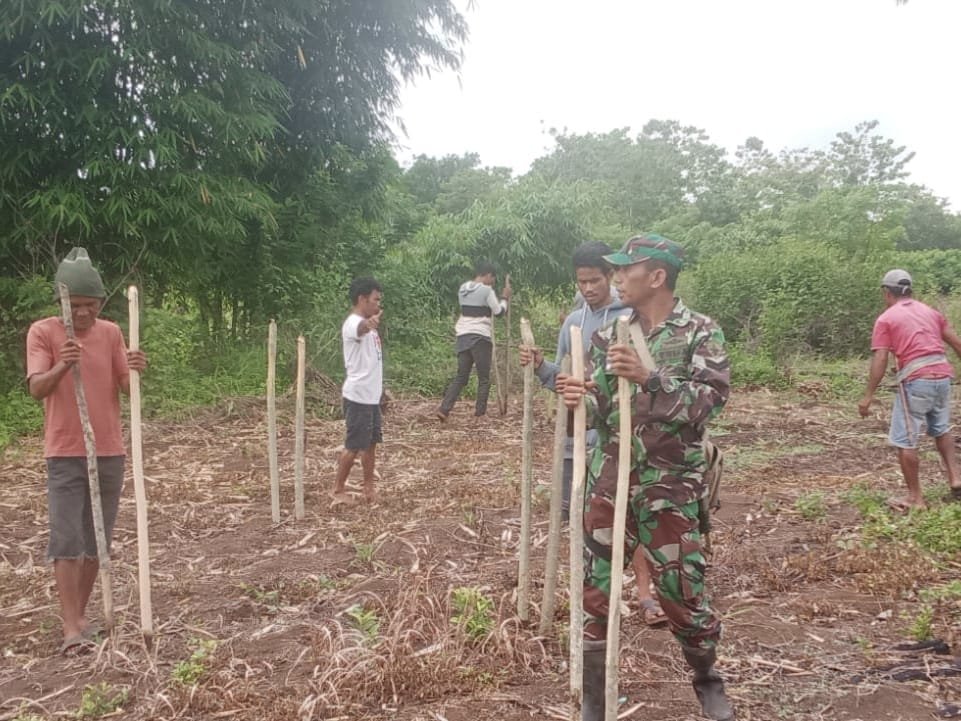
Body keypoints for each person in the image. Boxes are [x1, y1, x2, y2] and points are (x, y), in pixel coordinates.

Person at [559, 233, 734, 721]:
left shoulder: (701, 332)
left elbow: (710, 402)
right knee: (596, 586)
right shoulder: (609, 334)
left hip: (671, 485)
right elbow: (602, 407)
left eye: (625, 270)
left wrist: (648, 376)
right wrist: (580, 394)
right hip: (612, 477)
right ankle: (595, 698)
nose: (616, 279)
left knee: (680, 590)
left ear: (656, 276)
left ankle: (706, 676)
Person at [519, 241, 666, 627]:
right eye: (581, 282)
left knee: (626, 514)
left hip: (617, 436)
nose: (588, 289)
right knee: (584, 517)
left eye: (595, 280)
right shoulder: (573, 322)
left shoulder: (629, 320)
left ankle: (645, 594)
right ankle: (594, 598)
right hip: (577, 437)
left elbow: (643, 380)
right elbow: (563, 379)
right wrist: (541, 367)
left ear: (610, 277)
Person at [26, 247, 148, 655]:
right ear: (61, 303)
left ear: (100, 304)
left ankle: (81, 615)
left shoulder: (111, 332)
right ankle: (70, 626)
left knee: (98, 537)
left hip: (109, 448)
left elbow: (128, 390)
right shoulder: (43, 332)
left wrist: (134, 369)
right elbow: (36, 388)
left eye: (90, 306)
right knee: (67, 538)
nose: (82, 314)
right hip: (64, 450)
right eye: (74, 306)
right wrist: (63, 364)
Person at [858, 269, 961, 510]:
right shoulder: (930, 311)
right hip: (943, 376)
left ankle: (915, 498)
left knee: (906, 441)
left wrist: (868, 396)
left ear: (886, 292)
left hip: (917, 380)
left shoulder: (887, 318)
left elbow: (880, 359)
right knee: (941, 429)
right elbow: (956, 343)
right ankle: (956, 478)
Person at [332, 277, 385, 506]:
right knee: (353, 446)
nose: (378, 305)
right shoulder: (353, 323)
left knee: (371, 443)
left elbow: (373, 361)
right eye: (375, 300)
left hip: (371, 397)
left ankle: (368, 487)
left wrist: (381, 391)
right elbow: (360, 329)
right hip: (358, 397)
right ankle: (337, 489)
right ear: (362, 299)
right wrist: (369, 324)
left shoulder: (370, 328)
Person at [436, 260, 511, 420]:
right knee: (484, 378)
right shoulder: (486, 290)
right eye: (493, 278)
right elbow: (498, 312)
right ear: (488, 275)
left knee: (461, 376)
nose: (493, 282)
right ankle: (480, 414)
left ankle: (444, 408)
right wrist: (505, 298)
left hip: (463, 335)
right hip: (480, 337)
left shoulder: (463, 288)